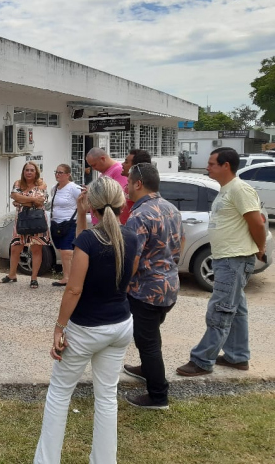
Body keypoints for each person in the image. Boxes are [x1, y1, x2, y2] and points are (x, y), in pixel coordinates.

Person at [34, 177, 137, 463]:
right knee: (106, 397)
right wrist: (81, 215)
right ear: (120, 203)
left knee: (59, 395)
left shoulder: (92, 239)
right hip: (120, 325)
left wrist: (59, 326)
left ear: (91, 203)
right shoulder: (129, 236)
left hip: (86, 328)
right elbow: (122, 276)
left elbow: (74, 287)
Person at [176, 147, 267, 377]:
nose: (207, 167)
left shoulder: (240, 189)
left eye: (212, 163)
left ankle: (202, 360)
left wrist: (261, 248)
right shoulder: (226, 189)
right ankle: (238, 357)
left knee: (220, 310)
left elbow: (256, 223)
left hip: (234, 259)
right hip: (225, 259)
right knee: (236, 310)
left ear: (226, 166)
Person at [123, 163, 183, 410]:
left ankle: (158, 396)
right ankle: (147, 369)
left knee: (148, 343)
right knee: (149, 336)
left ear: (138, 184)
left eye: (128, 181)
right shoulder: (171, 209)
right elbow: (178, 246)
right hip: (169, 286)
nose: (126, 186)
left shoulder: (139, 216)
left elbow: (132, 259)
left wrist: (122, 286)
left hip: (146, 291)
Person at [1, 161, 49, 288]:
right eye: (26, 170)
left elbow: (40, 202)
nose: (29, 172)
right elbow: (14, 195)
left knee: (36, 248)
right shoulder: (18, 183)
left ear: (36, 172)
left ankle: (34, 278)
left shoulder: (42, 184)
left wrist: (21, 201)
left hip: (36, 219)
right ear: (23, 172)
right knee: (16, 247)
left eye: (31, 170)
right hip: (22, 219)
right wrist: (32, 199)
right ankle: (12, 275)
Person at [49, 164, 81, 288]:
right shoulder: (54, 188)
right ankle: (66, 276)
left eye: (61, 172)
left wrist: (80, 217)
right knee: (62, 251)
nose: (57, 175)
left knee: (68, 251)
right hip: (56, 223)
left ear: (68, 175)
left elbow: (84, 201)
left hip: (69, 222)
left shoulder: (74, 188)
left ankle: (70, 278)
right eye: (56, 172)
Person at [85, 147, 130, 223]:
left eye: (94, 165)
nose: (93, 168)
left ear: (103, 159)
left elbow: (119, 198)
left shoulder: (118, 171)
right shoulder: (104, 173)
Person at [120, 149, 152, 220]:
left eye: (126, 162)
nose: (122, 164)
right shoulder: (129, 185)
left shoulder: (141, 188)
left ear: (135, 167)